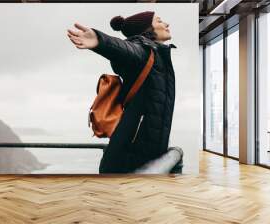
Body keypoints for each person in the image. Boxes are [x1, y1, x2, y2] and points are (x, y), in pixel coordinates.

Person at [67, 11, 183, 174]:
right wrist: (100, 41)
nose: (166, 24)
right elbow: (124, 49)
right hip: (127, 159)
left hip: (142, 155)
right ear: (147, 28)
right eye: (159, 21)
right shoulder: (142, 51)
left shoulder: (158, 55)